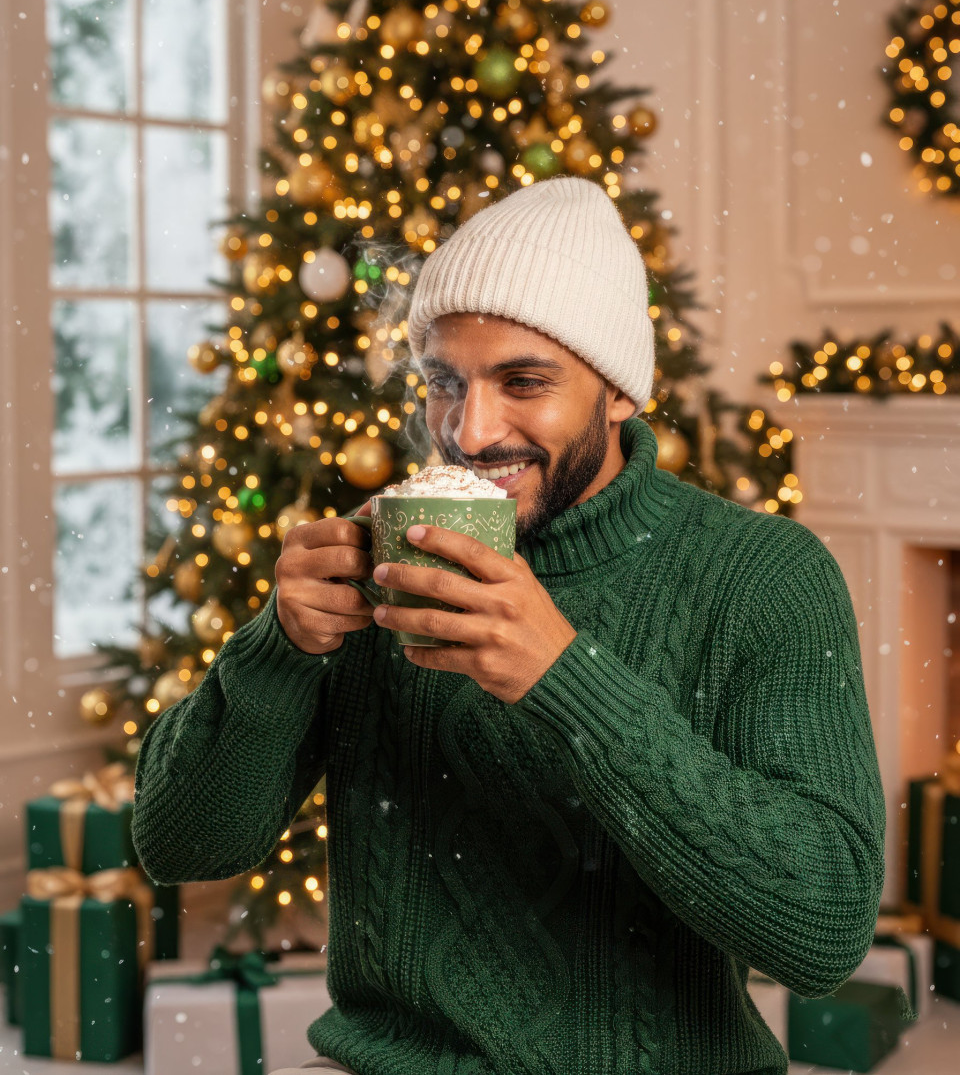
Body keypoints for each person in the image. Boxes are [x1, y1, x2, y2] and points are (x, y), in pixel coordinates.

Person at [132, 176, 886, 1075]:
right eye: (443, 383)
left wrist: (565, 679)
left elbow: (825, 930)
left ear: (619, 392)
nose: (471, 430)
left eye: (523, 382)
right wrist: (279, 649)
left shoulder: (764, 579)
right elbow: (182, 846)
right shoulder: (386, 555)